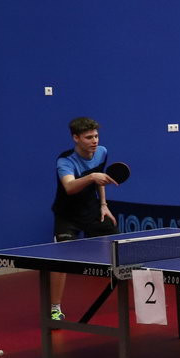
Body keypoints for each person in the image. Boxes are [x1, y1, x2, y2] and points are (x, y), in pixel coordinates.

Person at [50, 117, 118, 321]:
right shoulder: (65, 161)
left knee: (121, 250)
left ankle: (133, 297)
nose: (94, 141)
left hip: (92, 210)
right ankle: (55, 309)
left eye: (96, 136)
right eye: (89, 137)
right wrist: (91, 177)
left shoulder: (102, 152)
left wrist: (104, 204)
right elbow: (69, 187)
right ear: (76, 138)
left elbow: (100, 181)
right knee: (60, 261)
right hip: (67, 215)